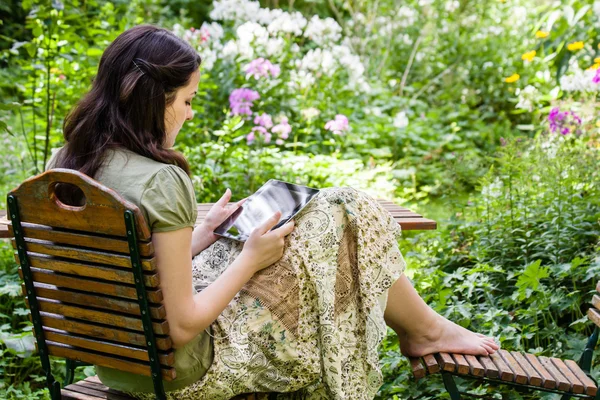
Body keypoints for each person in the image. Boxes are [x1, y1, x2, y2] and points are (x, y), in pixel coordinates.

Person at [47, 24, 499, 400]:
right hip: (185, 371)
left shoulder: (66, 163)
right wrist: (249, 259)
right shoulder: (160, 181)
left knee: (320, 221)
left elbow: (127, 274)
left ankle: (424, 327)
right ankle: (425, 330)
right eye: (186, 101)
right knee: (345, 209)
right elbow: (182, 326)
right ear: (151, 99)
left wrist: (203, 233)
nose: (187, 115)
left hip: (119, 364)